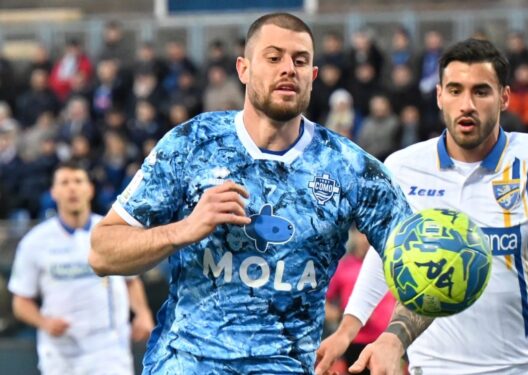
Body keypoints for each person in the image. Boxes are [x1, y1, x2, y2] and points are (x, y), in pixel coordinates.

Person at [88, 13, 412, 374]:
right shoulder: (192, 144)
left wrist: (395, 337)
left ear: (313, 76)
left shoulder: (350, 168)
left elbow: (425, 262)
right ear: (243, 69)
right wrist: (183, 229)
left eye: (300, 60)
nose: (288, 68)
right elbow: (102, 252)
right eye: (273, 58)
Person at [315, 38, 528, 375]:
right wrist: (348, 328)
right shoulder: (403, 167)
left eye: (481, 91)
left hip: (527, 369)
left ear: (504, 97)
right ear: (439, 95)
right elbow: (387, 256)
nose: (466, 104)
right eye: (455, 90)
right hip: (434, 369)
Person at [8, 161, 154, 375]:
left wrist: (142, 313)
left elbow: (131, 280)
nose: (72, 188)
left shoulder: (112, 233)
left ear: (90, 189)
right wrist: (44, 322)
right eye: (64, 182)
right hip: (60, 356)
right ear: (54, 192)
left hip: (109, 353)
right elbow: (21, 301)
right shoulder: (34, 242)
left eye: (78, 181)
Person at [325, 228, 397, 375]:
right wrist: (343, 317)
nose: (366, 238)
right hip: (356, 342)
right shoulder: (342, 267)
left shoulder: (394, 263)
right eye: (362, 233)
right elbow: (322, 304)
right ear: (354, 235)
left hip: (388, 341)